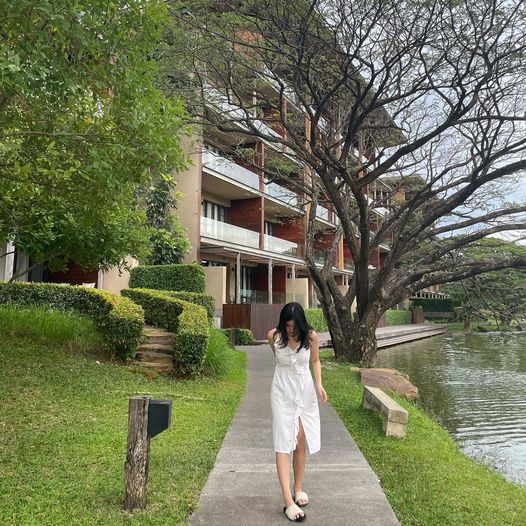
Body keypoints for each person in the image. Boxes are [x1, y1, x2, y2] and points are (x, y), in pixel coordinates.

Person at [267, 302, 328, 522]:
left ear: (301, 324)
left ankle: (298, 488)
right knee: (284, 442)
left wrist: (319, 384)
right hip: (282, 393)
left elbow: (315, 361)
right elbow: (278, 360)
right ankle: (288, 502)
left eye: (294, 326)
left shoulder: (311, 337)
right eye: (287, 325)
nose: (290, 330)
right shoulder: (274, 336)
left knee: (300, 440)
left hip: (304, 392)